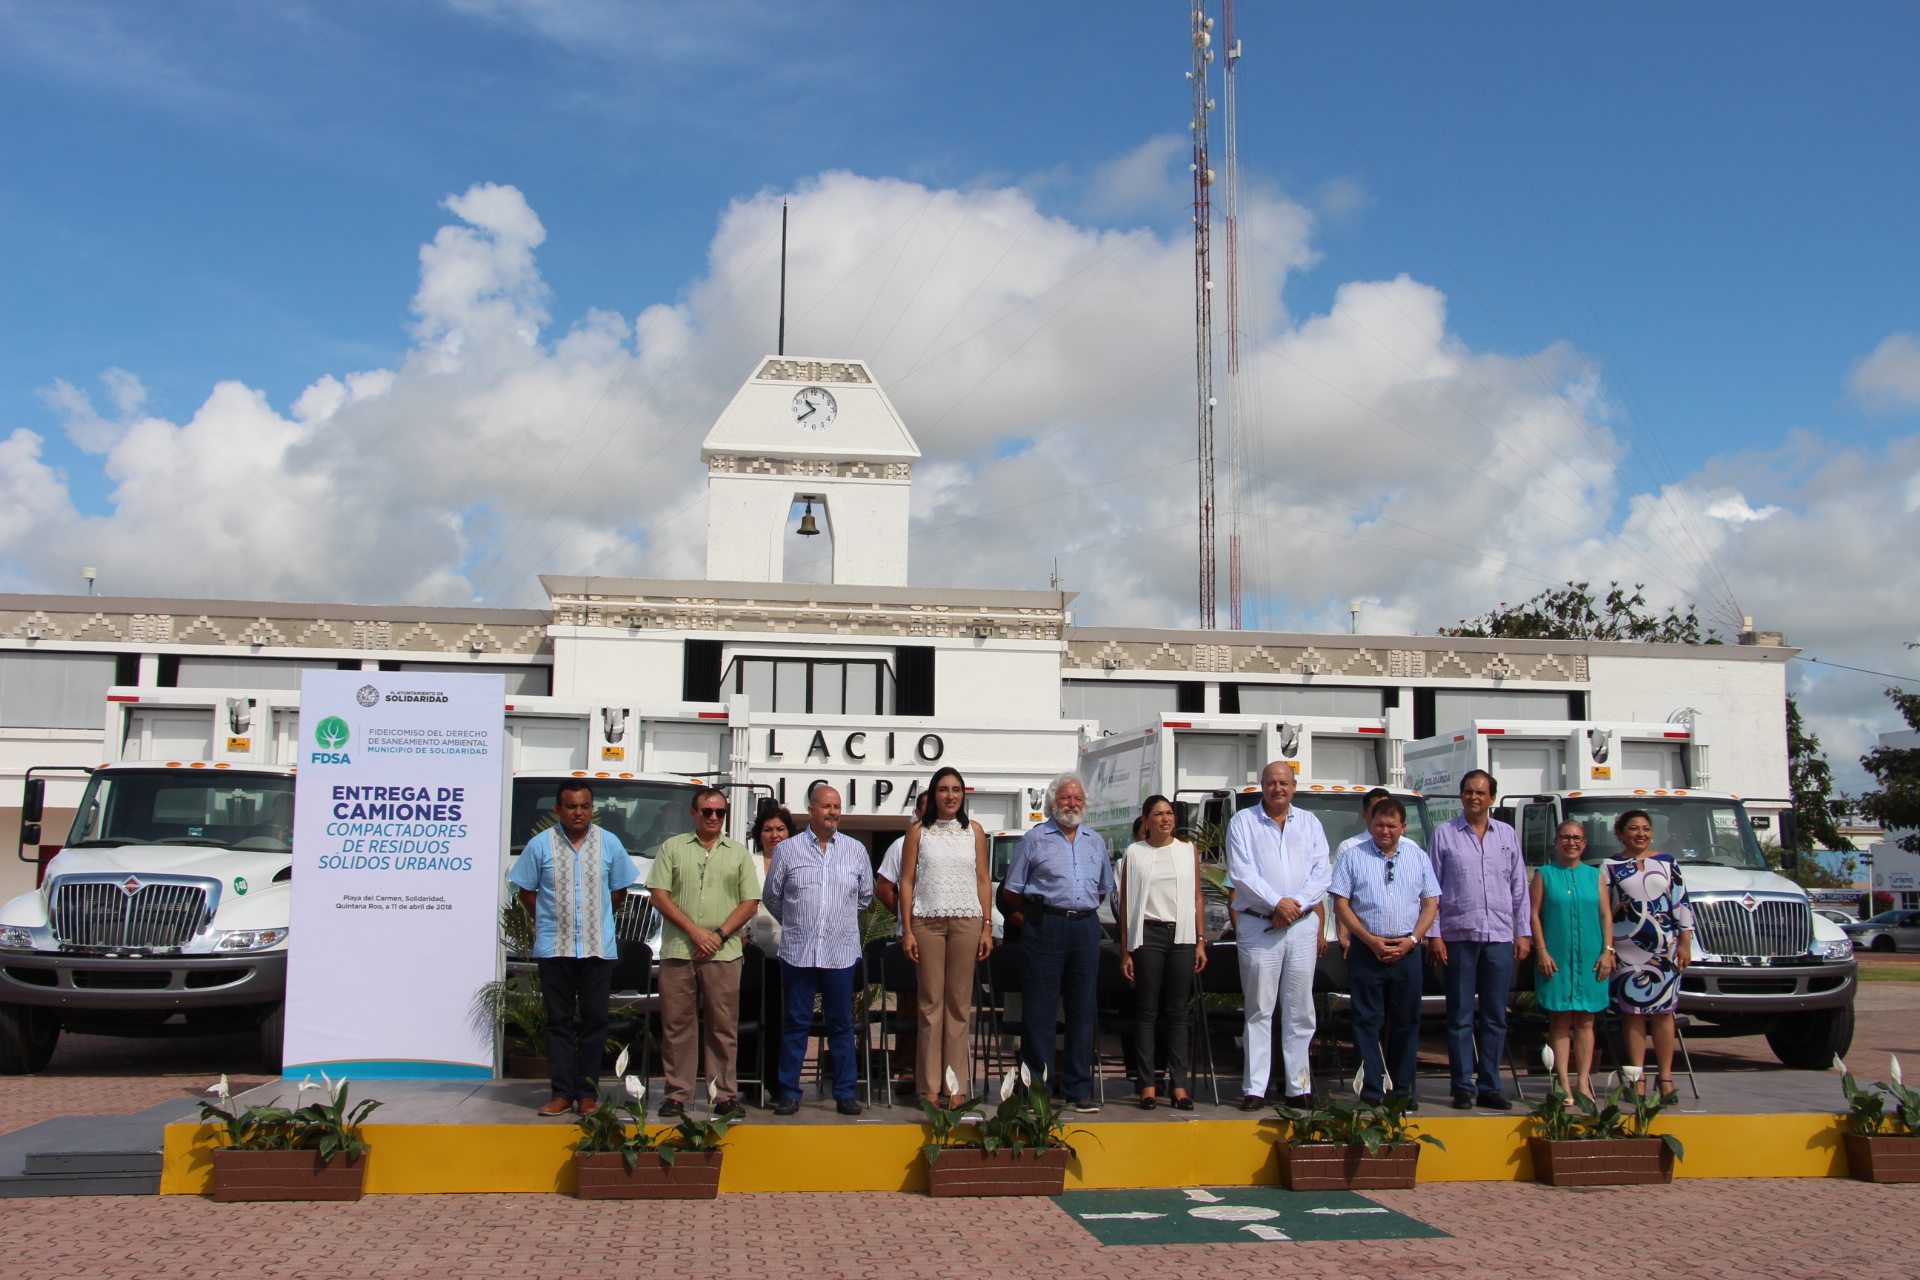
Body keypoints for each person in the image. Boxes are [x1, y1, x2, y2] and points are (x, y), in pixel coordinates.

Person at [506, 780, 640, 1117]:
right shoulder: (540, 845)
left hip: (597, 948)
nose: (578, 812)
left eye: (584, 806)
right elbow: (525, 890)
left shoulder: (609, 843)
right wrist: (551, 920)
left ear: (591, 808)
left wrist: (596, 917)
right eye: (571, 806)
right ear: (558, 809)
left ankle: (588, 1096)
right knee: (559, 1022)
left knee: (595, 1022)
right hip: (556, 948)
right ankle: (561, 1094)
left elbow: (619, 890)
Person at [998, 772, 1112, 1112]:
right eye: (1065, 798)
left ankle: (1079, 1089)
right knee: (1040, 1012)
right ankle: (1037, 1090)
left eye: (1077, 798)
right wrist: (1037, 919)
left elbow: (1104, 887)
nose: (1072, 804)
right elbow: (1012, 890)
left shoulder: (1095, 841)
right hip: (1046, 927)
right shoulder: (1035, 839)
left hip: (1085, 928)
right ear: (1052, 803)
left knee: (1081, 1011)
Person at [646, 787, 760, 1120]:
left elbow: (750, 901)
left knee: (722, 1026)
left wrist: (720, 934)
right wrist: (696, 932)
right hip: (680, 949)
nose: (713, 818)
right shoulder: (672, 848)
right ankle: (678, 1093)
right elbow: (659, 895)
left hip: (723, 953)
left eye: (720, 813)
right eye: (707, 811)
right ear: (694, 813)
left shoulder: (738, 853)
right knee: (677, 1025)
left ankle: (723, 1094)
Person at [763, 785, 874, 1116]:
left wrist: (835, 921)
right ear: (810, 810)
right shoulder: (788, 850)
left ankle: (844, 1093)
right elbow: (772, 896)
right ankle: (789, 1092)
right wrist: (799, 921)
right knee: (796, 1023)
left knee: (841, 1024)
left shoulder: (855, 851)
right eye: (826, 806)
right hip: (799, 952)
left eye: (837, 807)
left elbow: (865, 897)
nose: (833, 812)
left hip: (840, 953)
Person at [1225, 760, 1330, 1110]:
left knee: (1300, 1010)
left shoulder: (1311, 823)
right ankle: (1255, 1087)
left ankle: (1298, 1086)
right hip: (1259, 924)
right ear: (1262, 785)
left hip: (1300, 926)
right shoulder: (1243, 822)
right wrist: (1277, 903)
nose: (1278, 789)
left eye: (1284, 783)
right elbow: (1242, 873)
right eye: (1271, 782)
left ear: (1294, 786)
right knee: (1259, 1008)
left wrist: (1295, 906)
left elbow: (1321, 873)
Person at [1427, 769, 1531, 1111]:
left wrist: (1523, 931)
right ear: (1461, 796)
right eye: (1468, 791)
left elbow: (1519, 887)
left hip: (1499, 936)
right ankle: (1461, 1086)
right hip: (1458, 936)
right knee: (1459, 1014)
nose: (1474, 797)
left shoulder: (1507, 835)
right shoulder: (1445, 835)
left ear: (1492, 798)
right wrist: (1434, 934)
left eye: (1481, 792)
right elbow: (1431, 889)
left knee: (1494, 1015)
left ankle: (1489, 1085)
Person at [1330, 797, 1440, 1106]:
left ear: (1403, 827)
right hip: (1369, 950)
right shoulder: (1353, 856)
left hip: (1407, 950)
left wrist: (1414, 940)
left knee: (1406, 1021)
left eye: (1392, 826)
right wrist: (1367, 939)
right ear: (1370, 824)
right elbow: (1341, 903)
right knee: (1367, 1021)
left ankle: (1403, 1091)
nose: (1385, 831)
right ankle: (1372, 1089)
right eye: (1379, 825)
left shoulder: (1417, 857)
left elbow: (1431, 903)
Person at [898, 767, 992, 1106]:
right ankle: (929, 1087)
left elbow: (983, 879)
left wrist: (986, 926)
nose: (950, 795)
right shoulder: (917, 833)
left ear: (963, 794)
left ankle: (956, 1088)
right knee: (930, 1005)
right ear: (933, 794)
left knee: (958, 1006)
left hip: (967, 921)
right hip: (927, 922)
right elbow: (906, 882)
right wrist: (907, 928)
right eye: (943, 789)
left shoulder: (975, 832)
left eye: (956, 789)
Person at [1117, 794, 1207, 1110]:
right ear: (1147, 820)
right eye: (1158, 814)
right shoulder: (1135, 853)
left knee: (1178, 1012)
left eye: (1169, 813)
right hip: (1148, 934)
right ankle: (1147, 1084)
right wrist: (1126, 950)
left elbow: (1197, 896)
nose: (1166, 819)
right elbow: (1126, 903)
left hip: (1181, 935)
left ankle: (1179, 1085)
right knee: (1147, 1010)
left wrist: (1200, 939)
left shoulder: (1187, 851)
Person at [1605, 808, 1694, 1105]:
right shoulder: (1609, 866)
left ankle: (1666, 1077)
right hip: (1627, 947)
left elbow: (1681, 903)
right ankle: (1636, 1077)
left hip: (1664, 947)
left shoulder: (1668, 863)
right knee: (1633, 1014)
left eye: (1645, 828)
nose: (1639, 834)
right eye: (1633, 828)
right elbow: (1604, 909)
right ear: (1620, 833)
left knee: (1664, 1013)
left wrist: (1685, 942)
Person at [1530, 819, 1614, 1100]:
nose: (1571, 842)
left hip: (1591, 957)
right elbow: (1533, 914)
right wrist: (1541, 950)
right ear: (1556, 842)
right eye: (1565, 837)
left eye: (1577, 837)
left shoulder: (1594, 876)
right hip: (1556, 958)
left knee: (1586, 1021)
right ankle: (1563, 1081)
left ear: (1585, 842)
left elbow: (1605, 914)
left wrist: (1607, 951)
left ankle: (1583, 1082)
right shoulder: (1545, 874)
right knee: (1560, 1019)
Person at [744, 805, 795, 957]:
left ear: (789, 833)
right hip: (751, 949)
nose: (774, 835)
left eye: (780, 829)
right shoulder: (748, 863)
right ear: (759, 834)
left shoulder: (799, 866)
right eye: (767, 830)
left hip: (791, 950)